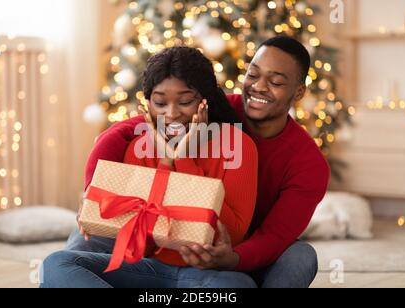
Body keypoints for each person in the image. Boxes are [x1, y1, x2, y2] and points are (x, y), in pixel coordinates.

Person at [50, 36, 330, 288]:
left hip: (238, 257)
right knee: (74, 247)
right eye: (253, 74)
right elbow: (120, 132)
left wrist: (231, 258)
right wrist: (93, 193)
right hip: (158, 257)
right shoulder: (210, 109)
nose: (258, 87)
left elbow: (274, 237)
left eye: (276, 81)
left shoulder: (308, 164)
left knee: (300, 256)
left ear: (298, 92)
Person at [40, 46, 259, 288]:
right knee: (57, 264)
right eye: (160, 103)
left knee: (236, 288)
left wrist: (182, 158)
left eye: (185, 101)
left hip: (208, 274)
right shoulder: (139, 147)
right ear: (149, 103)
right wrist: (166, 162)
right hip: (150, 270)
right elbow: (141, 242)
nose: (172, 114)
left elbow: (232, 233)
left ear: (205, 101)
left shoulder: (237, 145)